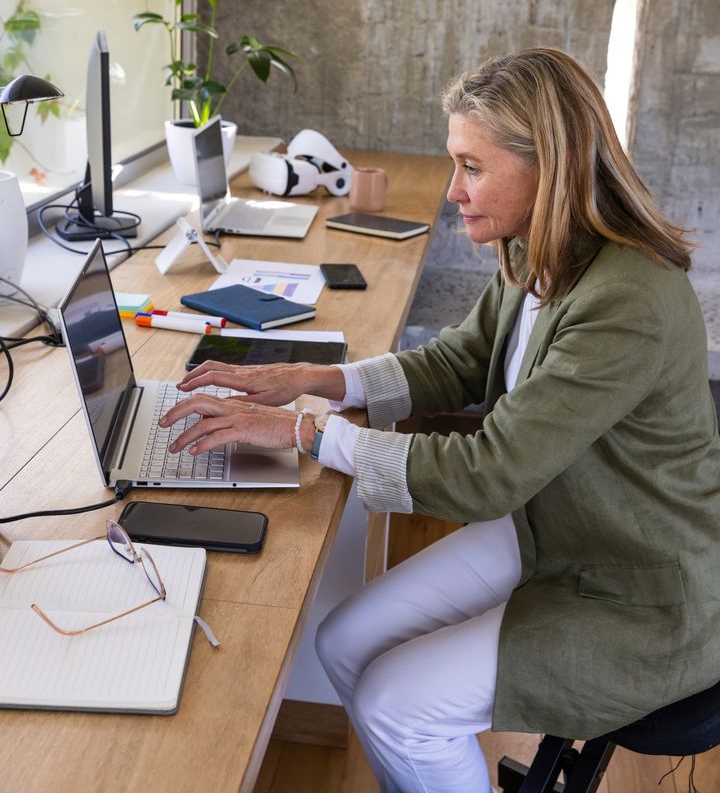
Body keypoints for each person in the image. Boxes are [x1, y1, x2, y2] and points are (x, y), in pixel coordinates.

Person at [159, 47, 720, 793]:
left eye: (472, 167)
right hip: (555, 525)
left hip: (639, 587)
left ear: (551, 166)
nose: (453, 190)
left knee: (397, 707)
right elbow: (461, 359)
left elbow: (490, 474)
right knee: (344, 643)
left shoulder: (627, 300)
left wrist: (306, 433)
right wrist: (316, 378)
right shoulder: (544, 253)